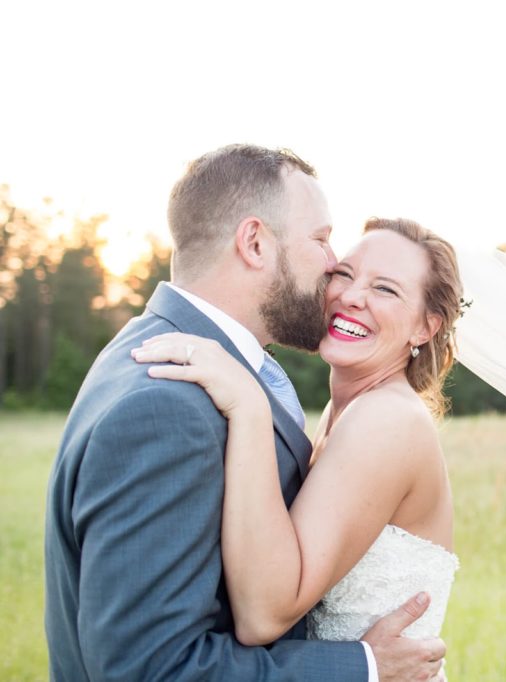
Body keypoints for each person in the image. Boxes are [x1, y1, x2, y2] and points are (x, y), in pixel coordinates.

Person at [44, 145, 445, 681]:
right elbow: (147, 668)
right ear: (255, 243)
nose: (333, 272)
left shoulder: (155, 349)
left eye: (385, 288)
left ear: (427, 326)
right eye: (323, 242)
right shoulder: (167, 402)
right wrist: (361, 666)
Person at [131, 217, 463, 652]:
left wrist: (249, 405)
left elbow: (264, 615)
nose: (351, 295)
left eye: (385, 289)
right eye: (344, 274)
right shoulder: (344, 409)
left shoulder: (387, 420)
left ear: (426, 327)